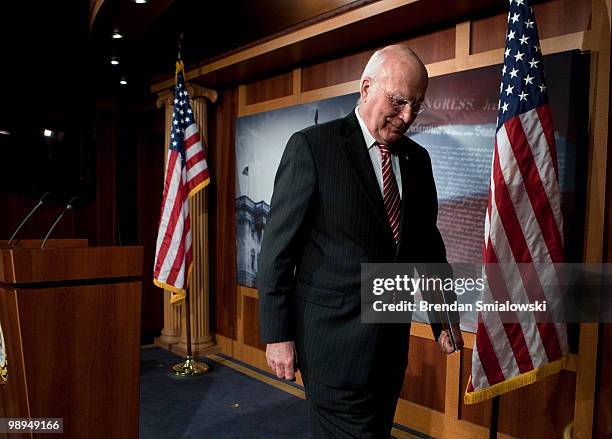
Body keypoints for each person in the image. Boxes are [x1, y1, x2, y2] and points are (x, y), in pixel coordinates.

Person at [258, 44, 463, 438]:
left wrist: (442, 318)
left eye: (416, 105)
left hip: (388, 351)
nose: (408, 116)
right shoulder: (312, 148)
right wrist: (277, 335)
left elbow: (426, 247)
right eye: (399, 100)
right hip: (332, 348)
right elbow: (276, 252)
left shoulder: (417, 160)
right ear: (366, 86)